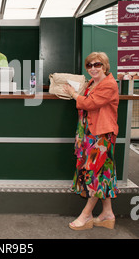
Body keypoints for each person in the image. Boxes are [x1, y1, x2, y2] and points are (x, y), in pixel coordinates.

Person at [63, 52, 119, 231]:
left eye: (98, 65)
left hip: (101, 137)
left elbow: (89, 104)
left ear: (105, 66)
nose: (93, 68)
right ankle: (107, 214)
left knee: (94, 176)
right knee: (103, 174)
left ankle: (86, 215)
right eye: (90, 65)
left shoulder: (109, 84)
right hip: (90, 134)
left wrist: (73, 94)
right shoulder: (92, 82)